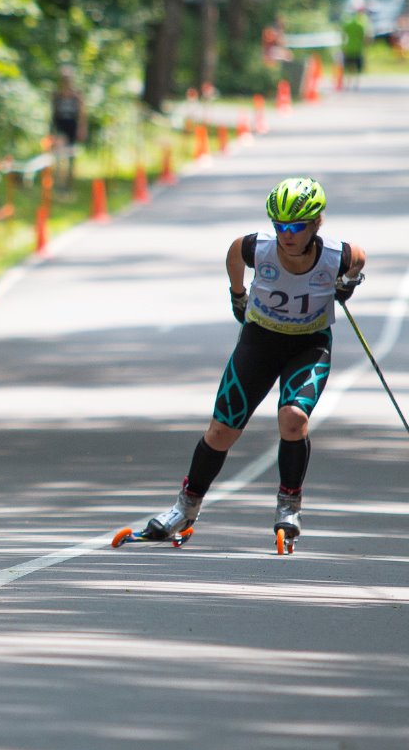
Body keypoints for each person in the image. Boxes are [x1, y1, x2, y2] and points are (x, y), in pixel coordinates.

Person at [141, 178, 366, 546]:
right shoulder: (257, 248)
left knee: (293, 419)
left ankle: (288, 506)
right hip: (260, 340)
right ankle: (186, 506)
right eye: (279, 226)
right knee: (221, 431)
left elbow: (359, 257)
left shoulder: (334, 256)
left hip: (308, 345)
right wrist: (237, 294)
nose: (286, 235)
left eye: (295, 227)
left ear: (315, 224)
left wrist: (349, 281)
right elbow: (233, 253)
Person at [50, 66, 87, 191]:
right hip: (60, 127)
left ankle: (68, 184)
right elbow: (53, 113)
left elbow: (82, 113)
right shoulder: (57, 95)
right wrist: (51, 130)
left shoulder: (77, 95)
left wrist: (82, 128)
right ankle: (59, 184)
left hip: (72, 127)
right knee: (60, 156)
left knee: (71, 157)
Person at [340, 6, 372, 90]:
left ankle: (347, 84)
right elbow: (366, 38)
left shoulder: (348, 23)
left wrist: (343, 46)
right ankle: (356, 84)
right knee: (358, 68)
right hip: (358, 48)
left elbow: (343, 35)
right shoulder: (361, 24)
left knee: (349, 67)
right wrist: (366, 47)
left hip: (349, 47)